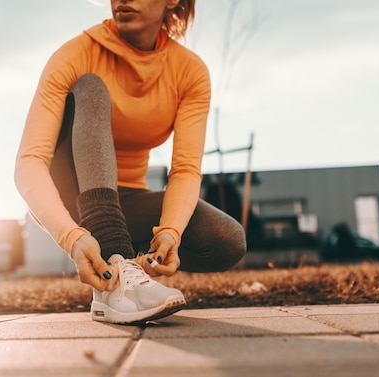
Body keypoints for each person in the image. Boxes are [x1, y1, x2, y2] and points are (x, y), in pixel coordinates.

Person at [14, 0, 246, 324]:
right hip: (68, 188)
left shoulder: (189, 71)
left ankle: (123, 270)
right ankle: (118, 280)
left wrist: (170, 233)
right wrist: (72, 237)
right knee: (91, 87)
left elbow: (185, 170)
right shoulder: (75, 54)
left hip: (129, 200)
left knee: (225, 239)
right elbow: (29, 161)